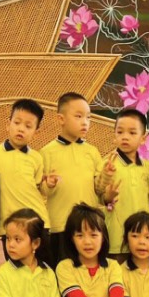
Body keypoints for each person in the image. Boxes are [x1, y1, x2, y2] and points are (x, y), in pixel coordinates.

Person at [41, 92, 102, 262]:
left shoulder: (92, 152)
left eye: (88, 117)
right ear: (61, 119)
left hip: (90, 227)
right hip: (60, 226)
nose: (85, 122)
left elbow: (99, 188)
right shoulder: (47, 152)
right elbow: (42, 191)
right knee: (63, 270)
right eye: (78, 116)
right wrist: (49, 185)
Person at [96, 109, 149, 257]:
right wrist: (108, 195)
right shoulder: (108, 163)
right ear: (114, 135)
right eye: (120, 132)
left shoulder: (147, 167)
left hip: (142, 238)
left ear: (143, 138)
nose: (125, 137)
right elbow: (98, 191)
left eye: (132, 133)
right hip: (116, 238)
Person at [0, 99, 52, 237]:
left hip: (37, 222)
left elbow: (40, 190)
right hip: (9, 224)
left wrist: (48, 184)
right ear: (8, 125)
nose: (21, 129)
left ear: (36, 132)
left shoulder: (36, 157)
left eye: (28, 126)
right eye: (17, 123)